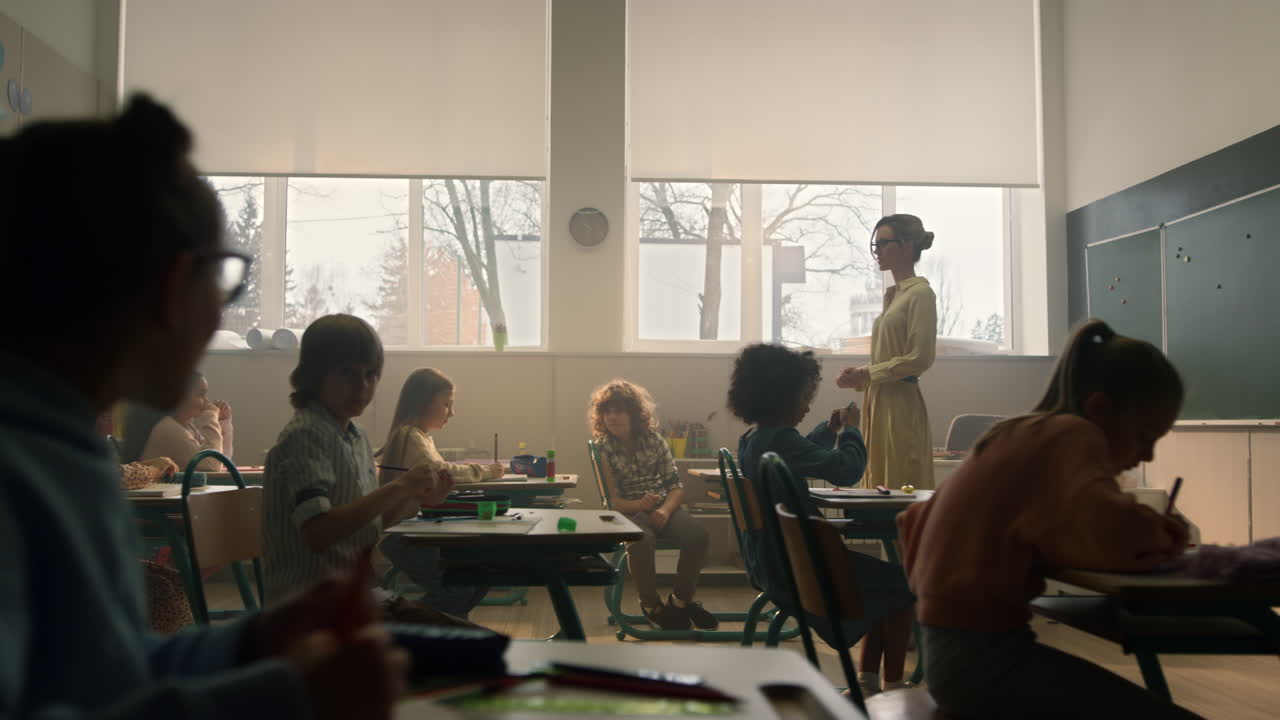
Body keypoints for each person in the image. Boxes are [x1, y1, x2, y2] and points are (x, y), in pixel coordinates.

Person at [0, 95, 406, 720]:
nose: (220, 314)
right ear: (171, 286)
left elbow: (109, 676)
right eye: (222, 281)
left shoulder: (67, 449)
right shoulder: (19, 475)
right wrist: (283, 697)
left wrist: (252, 642)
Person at [897, 320, 1200, 719]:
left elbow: (914, 520)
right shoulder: (1072, 435)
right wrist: (1162, 533)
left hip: (950, 655)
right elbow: (1112, 535)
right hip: (984, 663)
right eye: (1145, 437)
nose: (1148, 457)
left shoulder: (1016, 434)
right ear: (1100, 410)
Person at [730, 343, 915, 696]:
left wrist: (827, 433)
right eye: (803, 397)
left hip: (773, 563)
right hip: (806, 569)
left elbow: (800, 452)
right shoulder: (781, 439)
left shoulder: (754, 439)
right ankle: (892, 686)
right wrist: (850, 432)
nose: (807, 405)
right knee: (902, 586)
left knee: (885, 584)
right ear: (782, 398)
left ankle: (867, 681)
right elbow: (847, 470)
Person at [260, 314, 464, 626]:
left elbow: (370, 525)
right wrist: (399, 487)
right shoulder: (305, 436)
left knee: (473, 640)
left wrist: (419, 499)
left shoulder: (355, 437)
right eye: (347, 374)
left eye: (371, 375)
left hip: (359, 598)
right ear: (314, 375)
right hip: (311, 612)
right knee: (471, 649)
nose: (362, 386)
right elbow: (319, 532)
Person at [588, 379, 716, 631]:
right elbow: (612, 501)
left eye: (619, 411)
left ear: (634, 414)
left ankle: (681, 601)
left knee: (698, 536)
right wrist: (639, 504)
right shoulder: (602, 449)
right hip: (627, 512)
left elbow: (676, 487)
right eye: (607, 411)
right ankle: (651, 605)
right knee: (641, 541)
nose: (612, 417)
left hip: (661, 508)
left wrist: (664, 510)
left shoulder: (655, 441)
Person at [377, 368, 503, 618]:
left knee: (479, 576)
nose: (451, 413)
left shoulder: (420, 437)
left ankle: (447, 630)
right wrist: (486, 471)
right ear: (423, 402)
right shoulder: (408, 436)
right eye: (446, 404)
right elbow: (443, 472)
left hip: (414, 530)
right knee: (457, 589)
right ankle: (410, 629)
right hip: (400, 536)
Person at [838, 214, 937, 490]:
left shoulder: (920, 295)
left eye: (883, 243)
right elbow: (890, 354)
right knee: (876, 478)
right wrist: (861, 376)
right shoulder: (894, 295)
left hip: (900, 404)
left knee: (899, 480)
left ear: (906, 246)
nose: (877, 250)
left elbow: (920, 357)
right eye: (875, 244)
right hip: (878, 400)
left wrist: (868, 372)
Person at [141, 371, 235, 471]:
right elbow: (212, 467)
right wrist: (210, 416)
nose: (207, 401)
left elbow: (222, 461)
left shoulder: (188, 427)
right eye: (200, 395)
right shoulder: (169, 428)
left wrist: (223, 422)